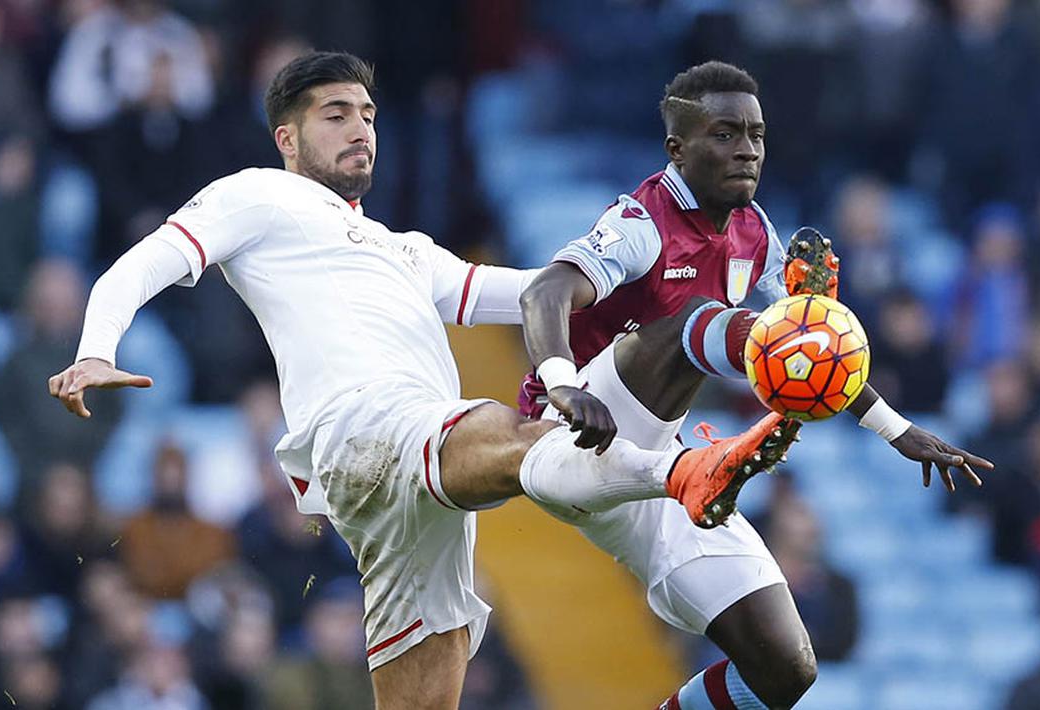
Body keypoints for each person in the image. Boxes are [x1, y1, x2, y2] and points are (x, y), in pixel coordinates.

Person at [47, 52, 799, 709]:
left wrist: (654, 265)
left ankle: (671, 471)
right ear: (286, 138)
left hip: (418, 498)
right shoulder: (258, 196)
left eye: (368, 114)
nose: (359, 129)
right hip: (366, 428)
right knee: (512, 429)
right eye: (335, 114)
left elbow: (537, 289)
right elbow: (148, 259)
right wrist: (95, 346)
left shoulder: (403, 250)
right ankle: (681, 471)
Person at [517, 61, 993, 709]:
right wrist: (558, 380)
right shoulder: (640, 222)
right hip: (571, 430)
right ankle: (730, 439)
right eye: (724, 133)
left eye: (756, 135)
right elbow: (545, 290)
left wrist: (896, 429)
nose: (746, 149)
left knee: (785, 668)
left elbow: (802, 348)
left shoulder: (753, 231)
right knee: (701, 320)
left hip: (656, 463)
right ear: (676, 148)